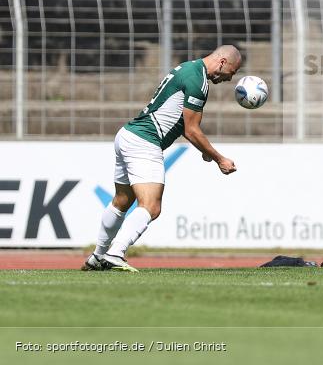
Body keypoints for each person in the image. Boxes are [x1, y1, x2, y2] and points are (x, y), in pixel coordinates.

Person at [82, 45, 243, 272]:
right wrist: (219, 159)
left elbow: (183, 122)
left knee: (121, 201)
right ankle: (115, 253)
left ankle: (97, 256)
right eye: (232, 72)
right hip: (145, 141)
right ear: (223, 62)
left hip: (128, 135)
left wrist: (205, 151)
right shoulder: (198, 81)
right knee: (151, 206)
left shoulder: (188, 68)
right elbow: (191, 130)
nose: (229, 79)